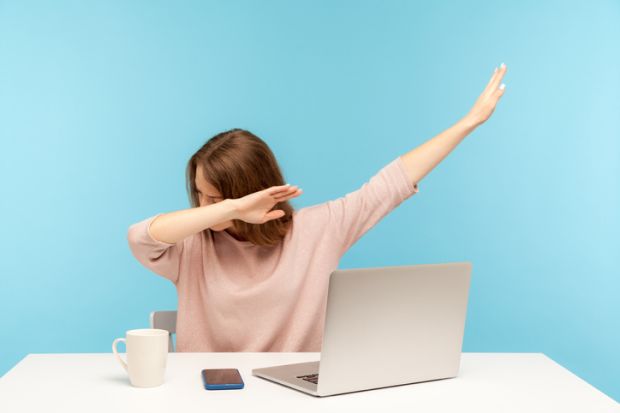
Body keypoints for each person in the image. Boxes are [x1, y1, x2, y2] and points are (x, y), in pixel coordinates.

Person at [127, 64, 508, 352]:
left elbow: (389, 184)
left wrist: (468, 123)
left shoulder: (318, 230)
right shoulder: (191, 245)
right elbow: (140, 237)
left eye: (218, 197)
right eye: (201, 196)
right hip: (206, 397)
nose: (206, 207)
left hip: (295, 396)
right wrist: (229, 209)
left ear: (253, 187)